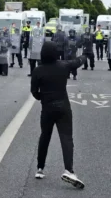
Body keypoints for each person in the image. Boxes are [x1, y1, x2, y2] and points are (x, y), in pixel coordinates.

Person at [31, 41, 86, 189]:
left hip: (47, 108)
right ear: (56, 53)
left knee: (45, 136)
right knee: (66, 138)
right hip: (63, 107)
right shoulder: (63, 66)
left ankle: (40, 168)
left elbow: (34, 92)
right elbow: (77, 62)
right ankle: (69, 170)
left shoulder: (38, 70)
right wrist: (85, 55)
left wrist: (43, 98)